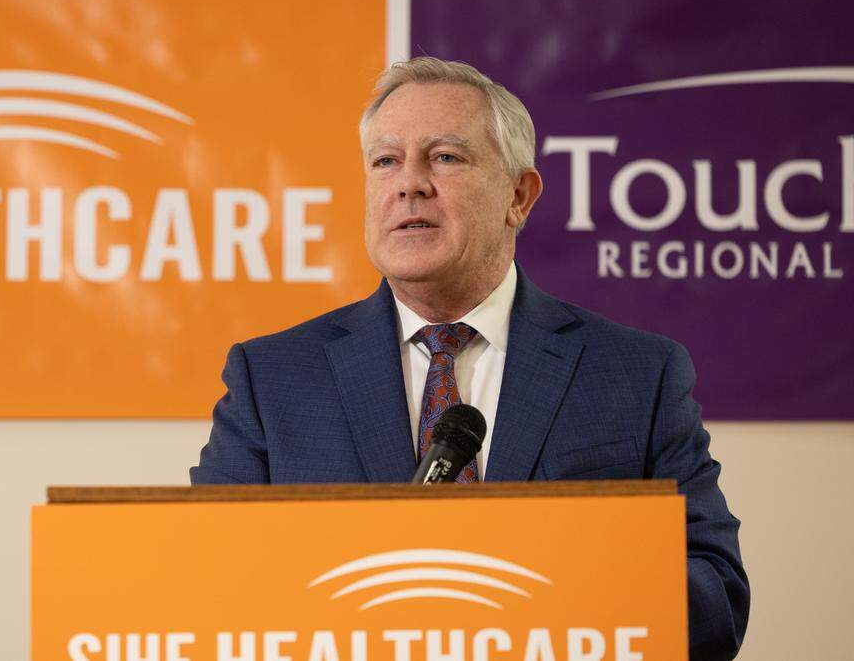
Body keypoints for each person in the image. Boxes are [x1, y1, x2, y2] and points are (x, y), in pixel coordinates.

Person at [189, 57, 748, 659]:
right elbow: (205, 585)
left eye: (445, 157)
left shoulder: (637, 375)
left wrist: (543, 583)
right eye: (385, 161)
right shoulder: (273, 378)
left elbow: (715, 603)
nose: (410, 183)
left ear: (518, 196)